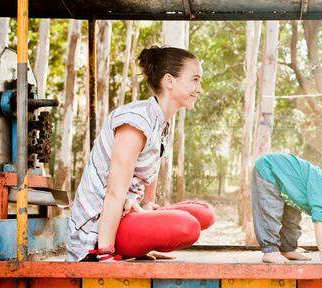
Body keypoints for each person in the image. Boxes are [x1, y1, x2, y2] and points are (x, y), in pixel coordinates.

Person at [66, 46, 216, 262]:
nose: (199, 88)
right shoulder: (135, 121)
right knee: (188, 226)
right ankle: (111, 248)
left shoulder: (162, 122)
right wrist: (105, 254)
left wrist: (146, 221)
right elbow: (115, 193)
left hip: (128, 213)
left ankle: (136, 238)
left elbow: (148, 186)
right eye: (194, 79)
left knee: (205, 213)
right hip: (98, 229)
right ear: (169, 81)